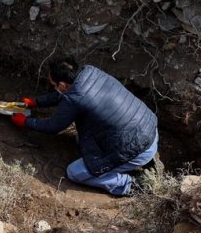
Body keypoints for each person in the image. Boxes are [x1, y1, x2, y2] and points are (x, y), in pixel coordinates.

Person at [9, 56, 159, 196]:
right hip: (149, 130)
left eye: (53, 84)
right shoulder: (91, 72)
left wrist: (26, 122)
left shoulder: (74, 98)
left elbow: (53, 126)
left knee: (75, 172)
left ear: (61, 84)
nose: (54, 87)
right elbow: (66, 94)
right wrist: (36, 102)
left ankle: (133, 185)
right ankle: (147, 161)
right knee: (81, 140)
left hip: (135, 148)